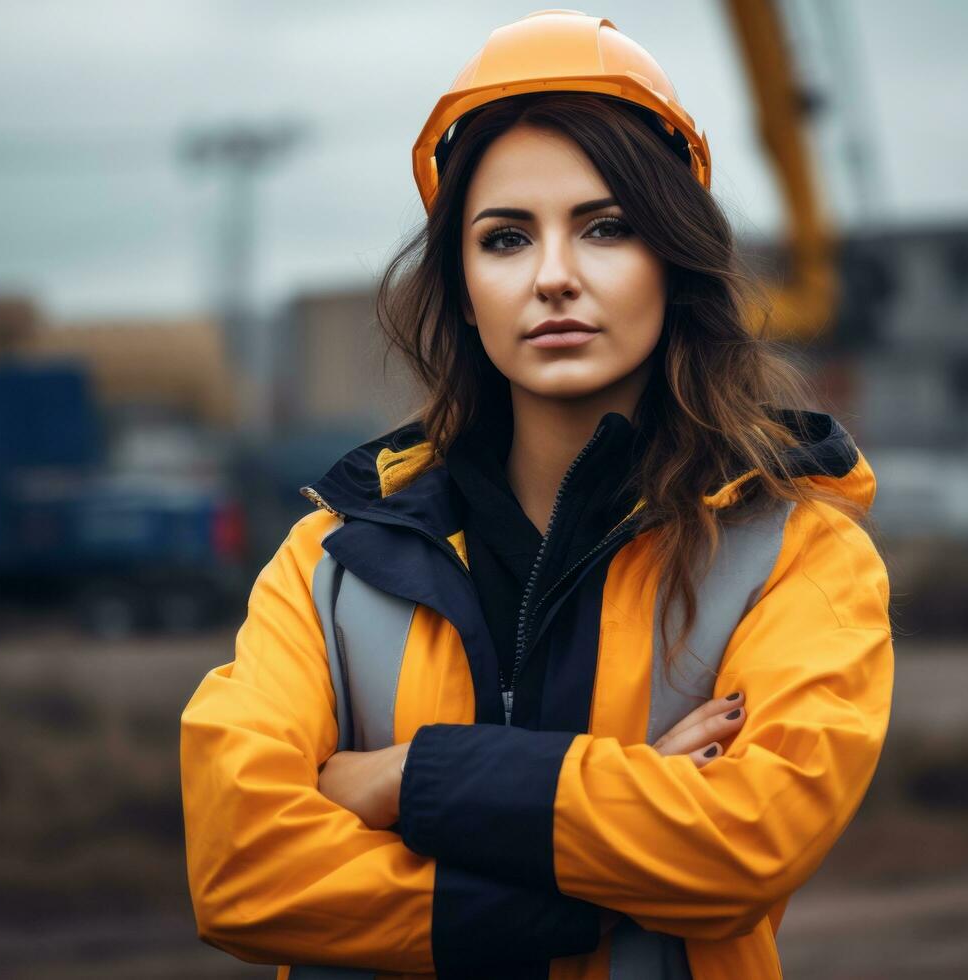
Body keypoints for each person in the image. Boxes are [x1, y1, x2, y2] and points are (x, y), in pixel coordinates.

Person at [180, 10, 892, 980]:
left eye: (604, 228)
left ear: (670, 261)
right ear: (464, 288)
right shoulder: (327, 566)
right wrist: (601, 854)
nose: (553, 276)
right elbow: (239, 866)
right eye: (506, 238)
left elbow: (743, 841)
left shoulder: (798, 556)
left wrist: (398, 776)